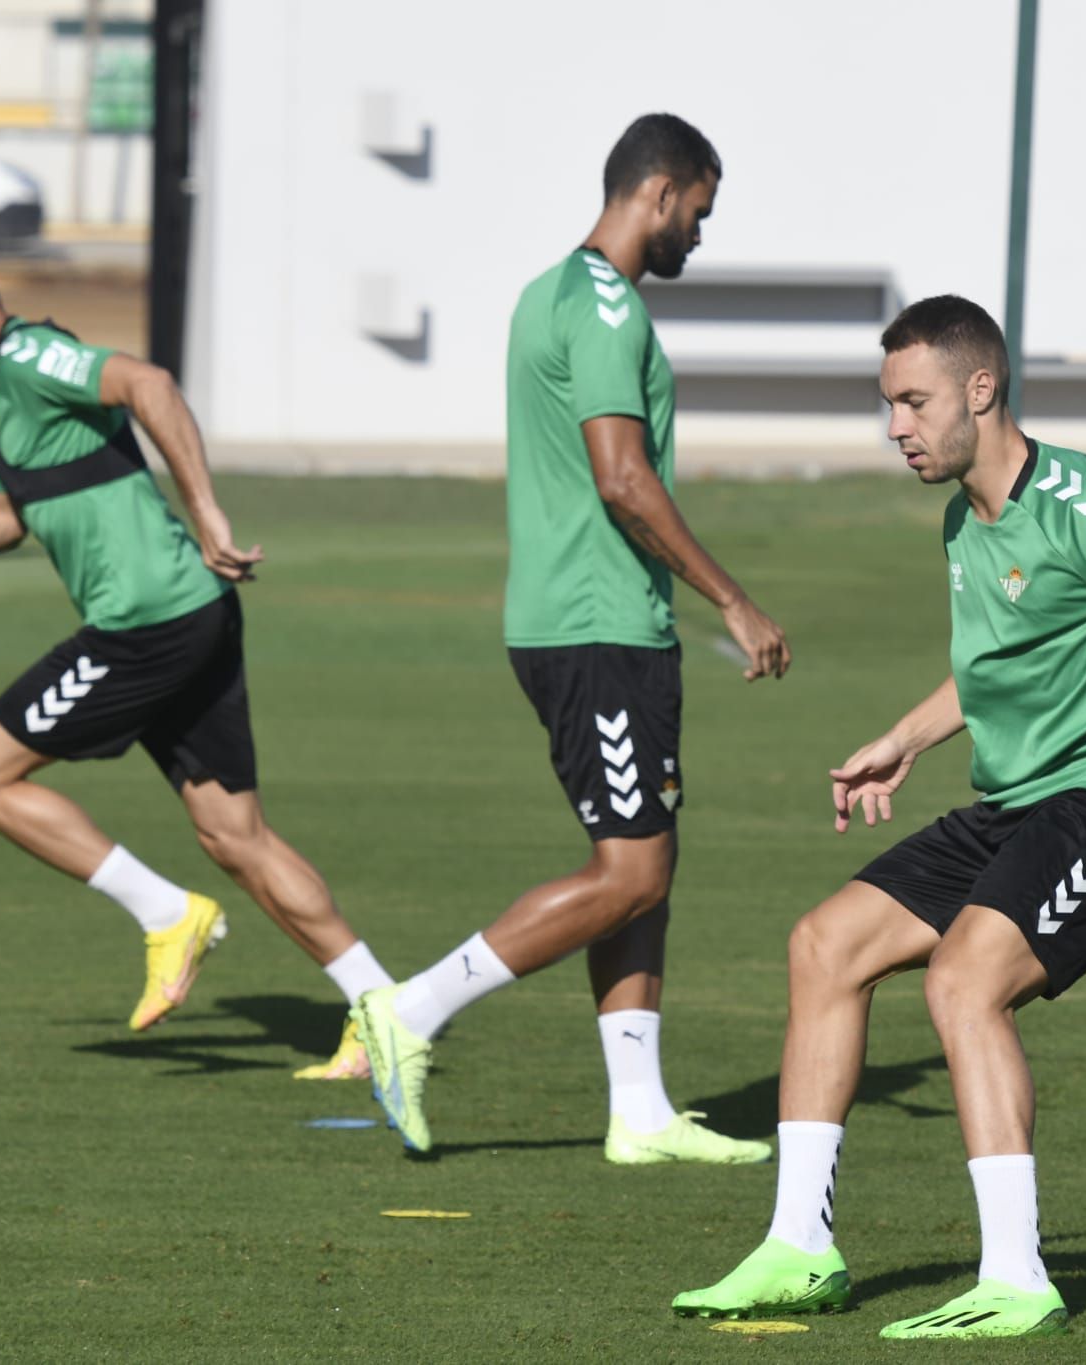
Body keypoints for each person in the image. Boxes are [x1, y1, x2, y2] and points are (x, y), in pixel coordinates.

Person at [670, 294, 1086, 1341]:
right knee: (822, 945)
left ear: (980, 391)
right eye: (886, 403)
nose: (895, 424)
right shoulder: (960, 522)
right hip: (1021, 803)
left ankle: (1016, 1275)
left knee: (963, 980)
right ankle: (799, 1250)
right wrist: (902, 738)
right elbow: (992, 669)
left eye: (911, 400)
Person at [353, 114, 792, 1159]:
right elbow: (620, 476)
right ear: (661, 189)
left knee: (644, 861)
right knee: (631, 874)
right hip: (595, 627)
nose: (698, 234)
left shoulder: (548, 292)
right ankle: (406, 1011)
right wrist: (731, 599)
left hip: (601, 622)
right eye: (699, 212)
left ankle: (637, 1112)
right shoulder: (604, 310)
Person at [0, 232, 388, 1077]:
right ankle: (382, 1009)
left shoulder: (32, 355)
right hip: (190, 617)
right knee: (236, 833)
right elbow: (3, 515)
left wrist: (206, 510)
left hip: (146, 627)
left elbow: (148, 382)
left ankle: (166, 912)